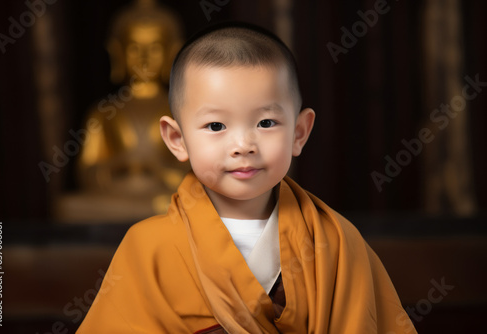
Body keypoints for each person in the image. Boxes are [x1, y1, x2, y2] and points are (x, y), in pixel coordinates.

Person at [77, 23, 417, 334]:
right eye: (216, 126)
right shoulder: (149, 248)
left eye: (266, 123)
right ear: (177, 140)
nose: (243, 145)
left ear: (300, 132)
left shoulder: (337, 242)